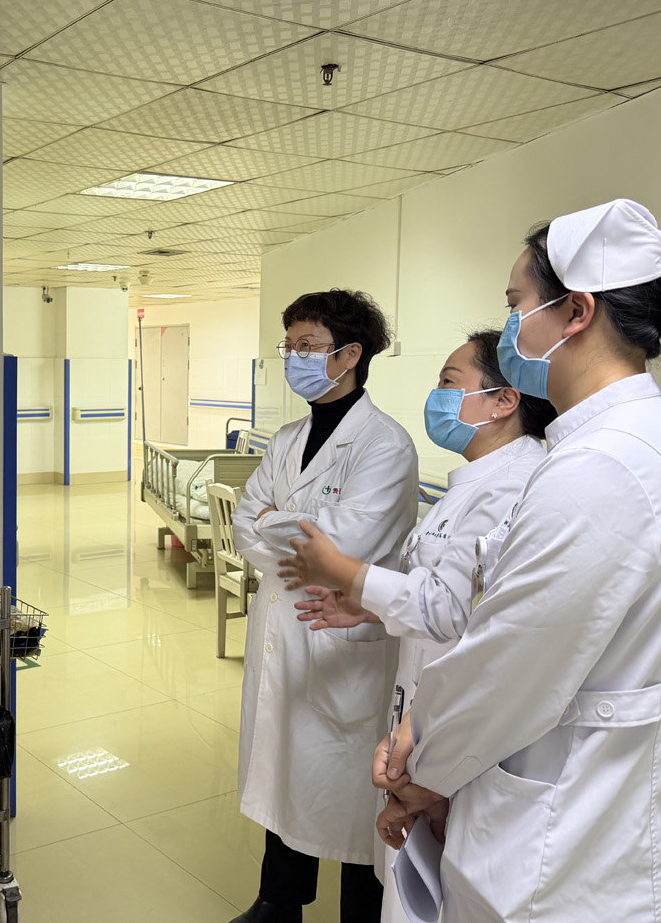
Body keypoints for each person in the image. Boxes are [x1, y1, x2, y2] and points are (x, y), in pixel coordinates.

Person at [376, 199, 661, 922]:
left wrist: (423, 766)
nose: (510, 326)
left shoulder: (604, 464)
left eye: (516, 305)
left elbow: (511, 665)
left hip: (560, 859)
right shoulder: (639, 441)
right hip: (584, 830)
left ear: (575, 311)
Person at [280, 329, 555, 923]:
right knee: (412, 884)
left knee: (442, 893)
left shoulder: (515, 488)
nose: (436, 397)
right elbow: (442, 594)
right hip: (422, 720)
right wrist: (368, 607)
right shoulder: (469, 485)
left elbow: (451, 612)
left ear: (503, 401)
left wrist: (346, 572)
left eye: (449, 383)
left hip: (465, 734)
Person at [228, 289, 419, 923]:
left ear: (350, 355)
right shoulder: (287, 438)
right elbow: (244, 526)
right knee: (284, 769)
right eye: (289, 347)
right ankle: (277, 901)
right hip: (285, 629)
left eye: (307, 346)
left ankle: (359, 914)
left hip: (344, 645)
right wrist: (291, 527)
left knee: (348, 788)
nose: (293, 358)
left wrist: (277, 521)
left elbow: (346, 543)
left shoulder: (385, 446)